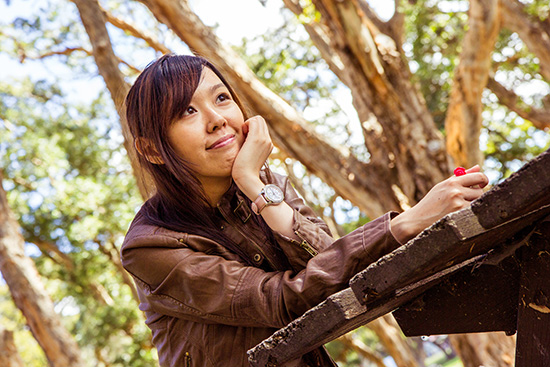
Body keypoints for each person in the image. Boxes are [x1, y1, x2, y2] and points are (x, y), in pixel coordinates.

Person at [121, 54, 488, 367]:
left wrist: (254, 184)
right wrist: (408, 222)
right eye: (187, 111)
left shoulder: (266, 184)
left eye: (221, 98)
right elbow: (282, 300)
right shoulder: (151, 247)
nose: (216, 119)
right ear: (153, 150)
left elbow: (328, 261)